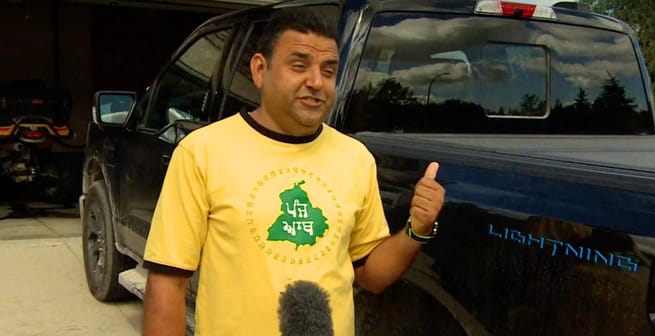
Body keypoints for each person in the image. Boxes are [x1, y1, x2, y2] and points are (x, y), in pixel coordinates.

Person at [142, 7, 445, 336]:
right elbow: (168, 284)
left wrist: (418, 228)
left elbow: (371, 275)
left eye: (328, 71)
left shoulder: (355, 158)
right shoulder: (203, 152)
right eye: (299, 65)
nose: (316, 82)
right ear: (260, 70)